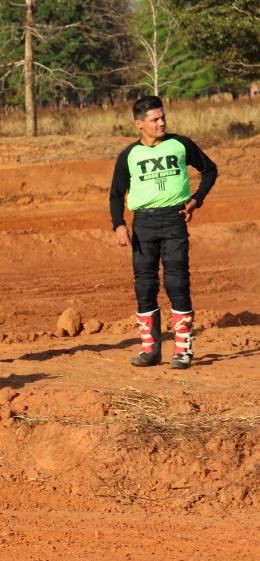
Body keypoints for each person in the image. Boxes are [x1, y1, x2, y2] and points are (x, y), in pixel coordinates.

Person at [109, 95, 218, 369]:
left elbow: (210, 170)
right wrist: (118, 224)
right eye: (155, 119)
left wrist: (197, 199)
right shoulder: (128, 155)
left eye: (163, 117)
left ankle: (183, 351)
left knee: (177, 283)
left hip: (174, 220)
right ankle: (150, 351)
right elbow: (116, 194)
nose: (162, 123)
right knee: (145, 286)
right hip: (143, 224)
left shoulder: (181, 144)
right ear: (139, 124)